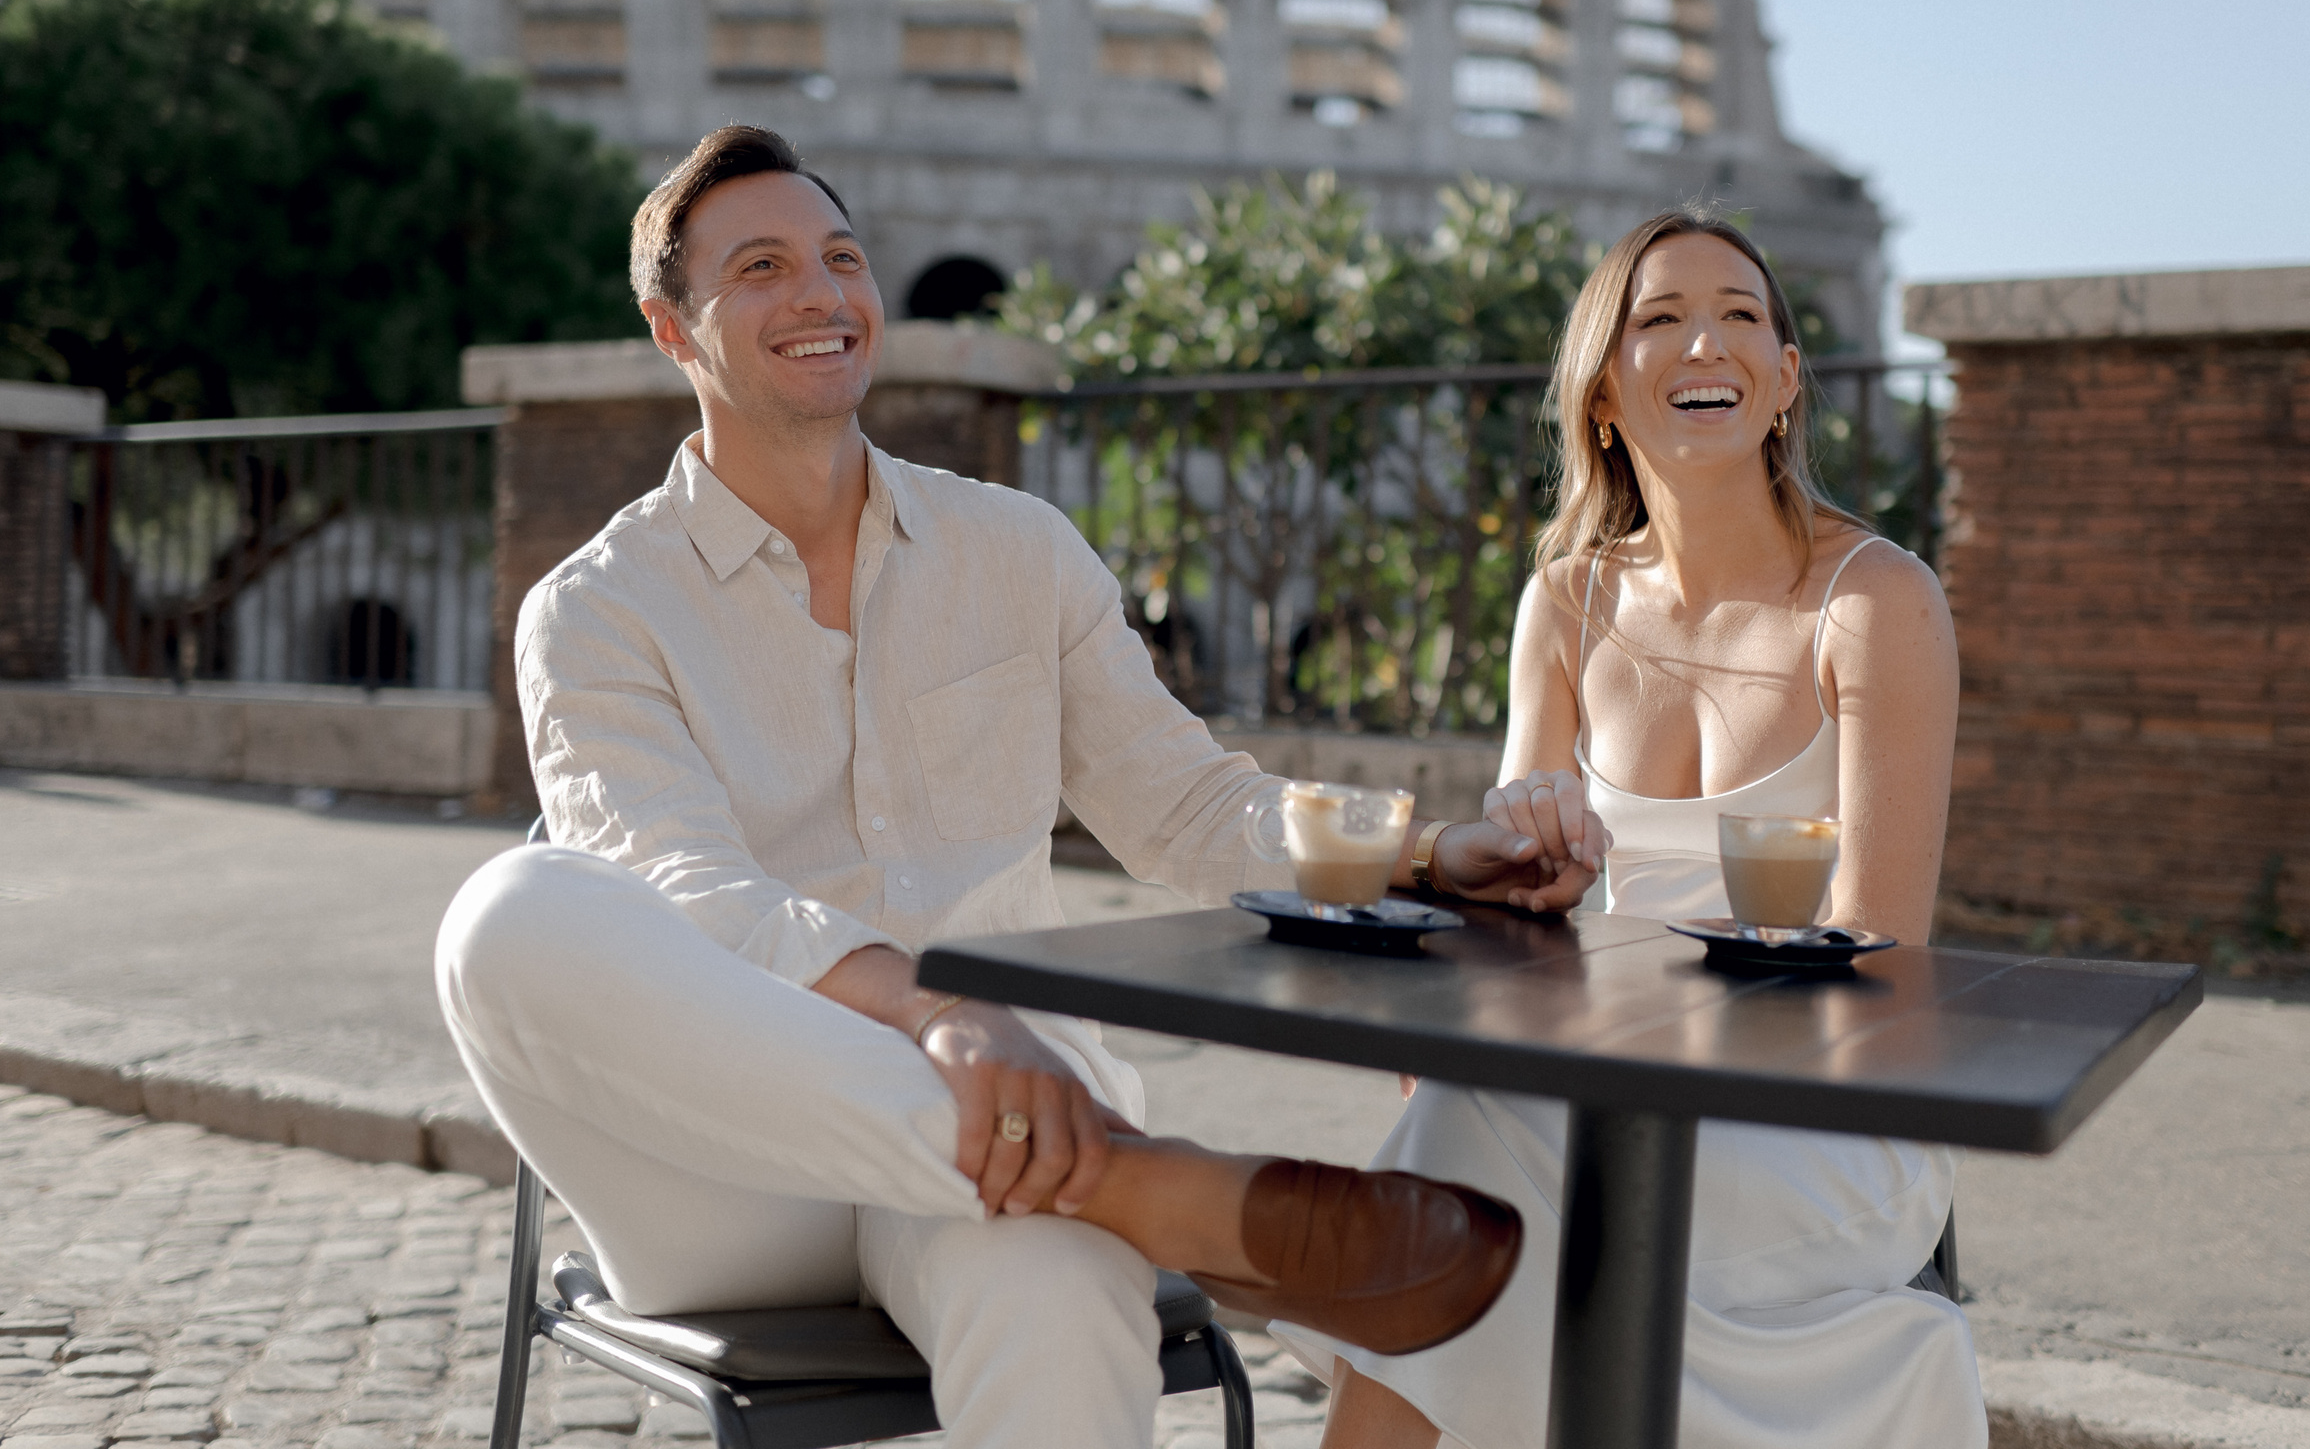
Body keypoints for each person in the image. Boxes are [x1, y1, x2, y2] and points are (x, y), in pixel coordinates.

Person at [435, 125, 1565, 1449]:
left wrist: (1431, 852)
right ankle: (1156, 1189)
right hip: (734, 1180)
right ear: (672, 329)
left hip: (1013, 1146)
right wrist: (936, 1011)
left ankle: (1107, 1193)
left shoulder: (1016, 551)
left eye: (841, 258)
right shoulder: (597, 607)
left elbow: (1189, 807)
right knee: (507, 917)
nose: (821, 293)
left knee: (1057, 1284)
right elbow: (685, 891)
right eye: (761, 267)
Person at [1283, 210, 1990, 1448]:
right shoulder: (1565, 600)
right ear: (1605, 392)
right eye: (1657, 319)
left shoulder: (1875, 601)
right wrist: (1516, 871)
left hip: (1826, 1123)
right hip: (1598, 1095)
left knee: (1466, 1140)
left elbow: (1874, 954)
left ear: (1781, 382)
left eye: (1738, 317)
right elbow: (1501, 906)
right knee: (1471, 1120)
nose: (1701, 341)